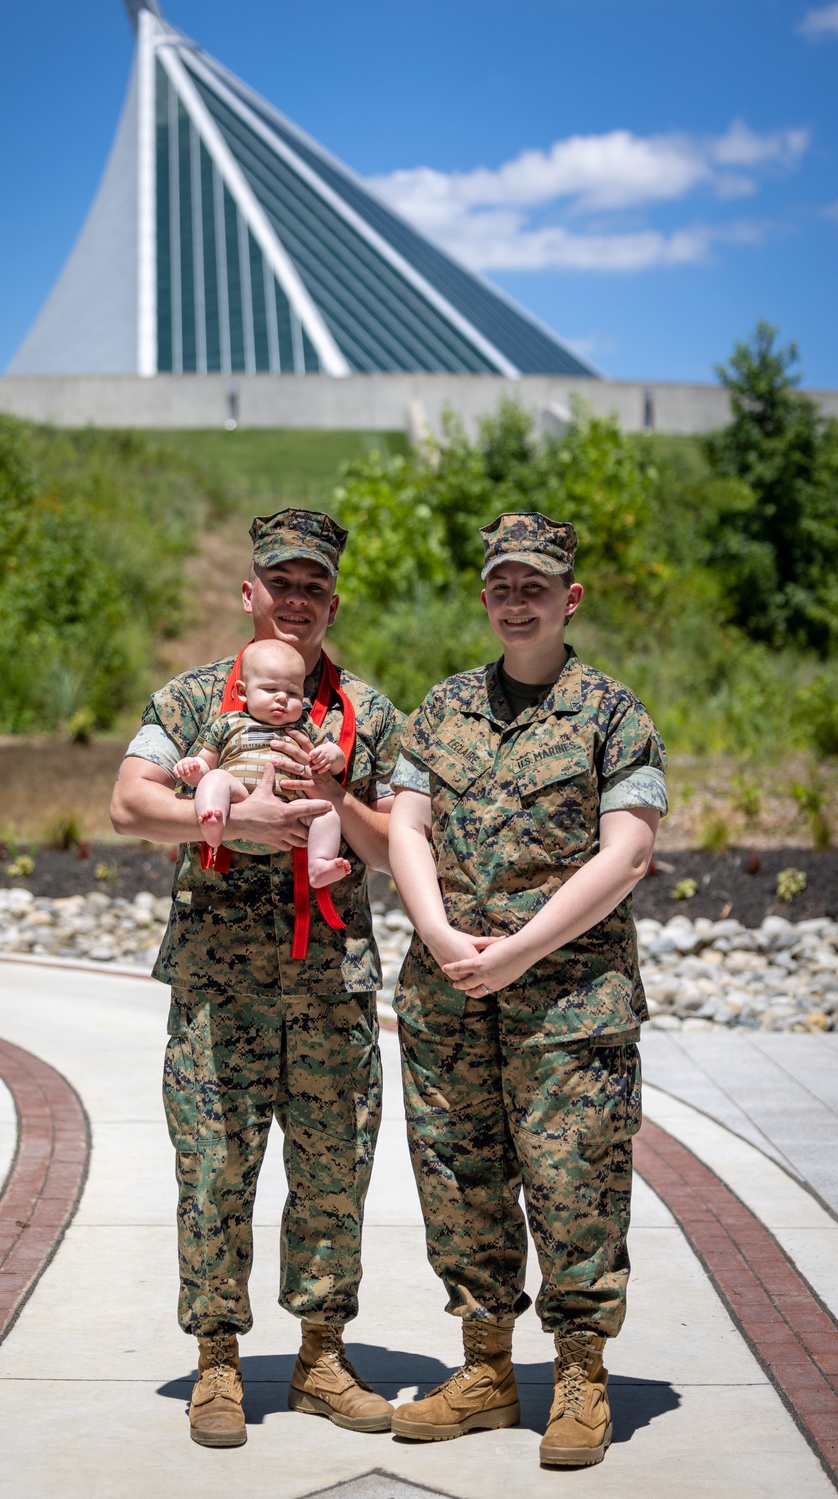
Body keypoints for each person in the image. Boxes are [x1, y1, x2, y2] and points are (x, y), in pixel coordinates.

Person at [109, 509, 403, 1449]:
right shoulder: (194, 700)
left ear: (333, 602)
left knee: (331, 1176)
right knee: (214, 1173)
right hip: (218, 985)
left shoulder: (366, 713)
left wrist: (333, 798)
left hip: (329, 983)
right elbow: (130, 803)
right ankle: (218, 1363)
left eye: (315, 587)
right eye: (282, 583)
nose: (298, 601)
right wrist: (233, 825)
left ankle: (320, 1357)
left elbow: (397, 844)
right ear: (251, 592)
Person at [386, 511, 667, 1468]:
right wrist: (436, 930)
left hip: (569, 1004)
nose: (517, 602)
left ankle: (581, 1375)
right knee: (459, 1180)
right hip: (449, 991)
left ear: (569, 599)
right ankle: (485, 1369)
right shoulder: (445, 706)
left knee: (574, 1182)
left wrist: (520, 949)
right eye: (502, 586)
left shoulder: (611, 712)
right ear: (484, 597)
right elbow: (407, 826)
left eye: (534, 587)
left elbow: (627, 852)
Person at [172, 638, 351, 889]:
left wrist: (332, 756)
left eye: (292, 693)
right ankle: (212, 818)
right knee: (215, 779)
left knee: (326, 812)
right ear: (243, 692)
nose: (281, 698)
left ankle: (320, 864)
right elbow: (205, 765)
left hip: (290, 815)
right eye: (270, 690)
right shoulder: (229, 723)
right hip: (238, 806)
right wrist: (193, 770)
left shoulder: (304, 726)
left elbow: (336, 762)